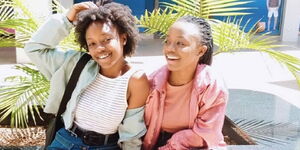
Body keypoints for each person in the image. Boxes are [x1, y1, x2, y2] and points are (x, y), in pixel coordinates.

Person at [24, 1, 149, 150]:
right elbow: (34, 49)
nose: (99, 49)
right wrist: (67, 19)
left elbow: (132, 135)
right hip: (65, 142)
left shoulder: (135, 80)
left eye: (106, 39)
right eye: (92, 43)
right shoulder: (76, 63)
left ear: (123, 38)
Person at [143, 16, 228, 150]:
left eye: (180, 43)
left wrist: (172, 144)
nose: (170, 49)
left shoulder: (211, 86)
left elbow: (206, 135)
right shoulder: (153, 82)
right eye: (167, 41)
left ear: (201, 51)